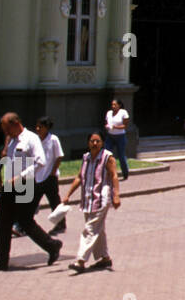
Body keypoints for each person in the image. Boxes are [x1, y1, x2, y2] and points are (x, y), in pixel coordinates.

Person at [0, 113, 62, 272]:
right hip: (10, 187)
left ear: (16, 123)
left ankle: (52, 246)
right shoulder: (11, 141)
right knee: (2, 224)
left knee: (25, 221)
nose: (6, 132)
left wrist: (20, 177)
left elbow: (41, 162)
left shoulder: (31, 138)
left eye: (7, 128)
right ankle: (1, 261)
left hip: (25, 185)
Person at [62, 132, 121, 273]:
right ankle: (104, 258)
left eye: (98, 141)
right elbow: (79, 177)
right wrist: (68, 194)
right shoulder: (86, 157)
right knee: (97, 230)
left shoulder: (107, 157)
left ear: (102, 143)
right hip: (88, 199)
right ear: (88, 142)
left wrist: (116, 195)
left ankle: (80, 260)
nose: (95, 144)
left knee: (90, 229)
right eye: (92, 141)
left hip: (102, 198)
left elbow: (114, 175)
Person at [34, 117, 66, 235]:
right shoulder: (35, 140)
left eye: (40, 127)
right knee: (32, 201)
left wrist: (53, 172)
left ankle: (61, 224)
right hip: (38, 176)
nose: (37, 129)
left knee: (54, 202)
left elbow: (59, 156)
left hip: (50, 177)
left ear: (47, 128)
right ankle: (25, 224)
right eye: (37, 126)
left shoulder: (53, 139)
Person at [103, 98, 130, 181]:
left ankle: (125, 173)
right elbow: (106, 123)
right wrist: (107, 126)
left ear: (119, 105)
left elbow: (125, 126)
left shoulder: (123, 113)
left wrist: (115, 127)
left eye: (115, 105)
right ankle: (107, 173)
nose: (113, 106)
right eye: (112, 105)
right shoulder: (109, 113)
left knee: (121, 156)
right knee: (106, 155)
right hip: (110, 136)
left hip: (120, 137)